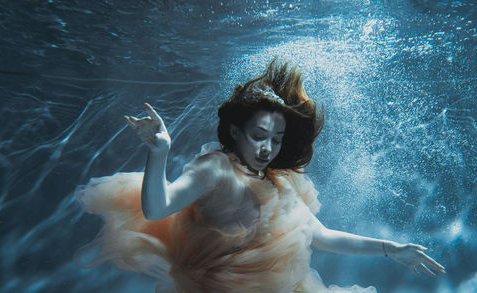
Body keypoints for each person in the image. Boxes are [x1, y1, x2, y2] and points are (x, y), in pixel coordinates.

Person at [76, 59, 445, 292]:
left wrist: (391, 249)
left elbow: (322, 236)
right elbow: (158, 208)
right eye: (258, 136)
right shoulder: (215, 169)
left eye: (277, 139)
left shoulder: (279, 181)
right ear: (235, 131)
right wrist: (158, 153)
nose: (268, 148)